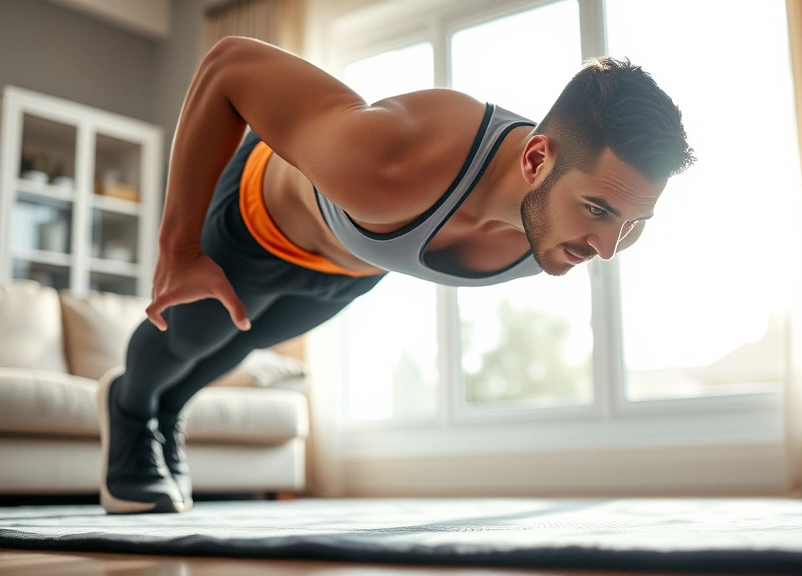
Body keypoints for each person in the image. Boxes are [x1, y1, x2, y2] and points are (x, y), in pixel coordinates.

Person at [96, 36, 694, 514]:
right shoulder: (392, 158)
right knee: (194, 337)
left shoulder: (555, 230)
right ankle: (128, 406)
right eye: (599, 211)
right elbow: (227, 65)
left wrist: (601, 216)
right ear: (536, 159)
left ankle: (166, 414)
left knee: (245, 340)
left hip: (350, 268)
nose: (610, 248)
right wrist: (177, 251)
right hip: (258, 227)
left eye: (635, 222)